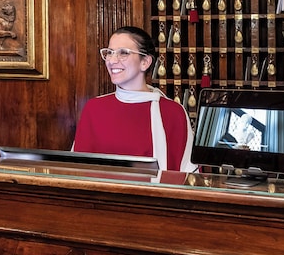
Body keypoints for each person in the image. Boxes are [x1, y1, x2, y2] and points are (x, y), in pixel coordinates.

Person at [73, 26, 195, 172]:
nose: (112, 60)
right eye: (109, 52)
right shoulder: (94, 108)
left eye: (123, 53)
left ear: (145, 62)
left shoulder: (173, 112)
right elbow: (78, 169)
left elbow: (187, 173)